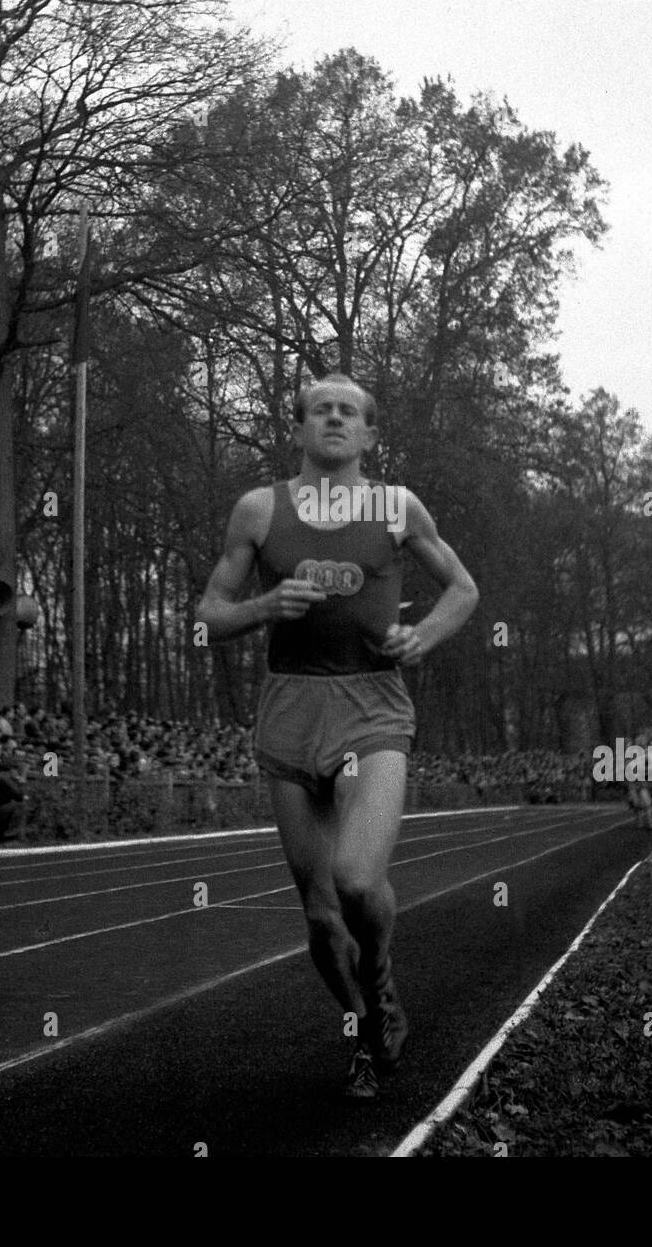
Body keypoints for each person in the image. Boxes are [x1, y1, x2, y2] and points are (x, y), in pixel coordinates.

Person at [198, 373, 479, 1099]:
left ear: (368, 434)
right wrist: (263, 605)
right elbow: (206, 616)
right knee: (322, 919)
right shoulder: (259, 509)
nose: (332, 417)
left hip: (371, 706)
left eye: (347, 411)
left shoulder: (397, 506)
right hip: (290, 709)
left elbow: (464, 589)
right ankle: (363, 1025)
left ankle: (381, 979)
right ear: (297, 430)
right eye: (319, 409)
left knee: (357, 879)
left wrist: (423, 637)